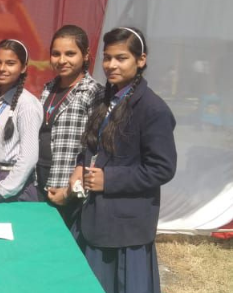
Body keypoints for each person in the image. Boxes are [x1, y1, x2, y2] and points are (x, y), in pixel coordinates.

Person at [66, 27, 177, 293]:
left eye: (121, 58)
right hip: (95, 218)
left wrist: (109, 179)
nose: (111, 65)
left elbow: (162, 168)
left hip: (125, 229)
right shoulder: (107, 98)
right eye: (107, 58)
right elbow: (93, 145)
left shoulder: (153, 109)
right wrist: (80, 166)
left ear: (141, 60)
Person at [37, 25, 103, 226]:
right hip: (40, 180)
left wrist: (70, 191)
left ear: (86, 55)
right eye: (56, 54)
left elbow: (96, 146)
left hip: (68, 187)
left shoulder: (93, 92)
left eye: (70, 54)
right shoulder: (48, 88)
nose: (62, 60)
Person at [0, 39, 43, 203]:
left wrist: (0, 193)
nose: (2, 68)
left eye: (10, 63)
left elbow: (28, 158)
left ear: (23, 67)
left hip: (13, 186)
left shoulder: (27, 105)